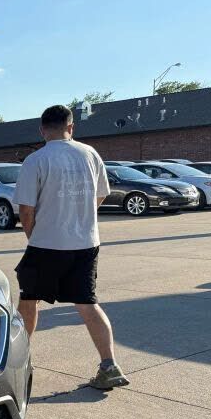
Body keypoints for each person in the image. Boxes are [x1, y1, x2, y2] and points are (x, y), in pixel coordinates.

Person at [12, 104, 129, 390]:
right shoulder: (90, 154)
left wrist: (33, 236)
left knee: (28, 301)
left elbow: (25, 210)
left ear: (42, 130)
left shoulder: (36, 160)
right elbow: (101, 195)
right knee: (87, 302)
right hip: (86, 243)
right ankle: (109, 365)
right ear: (71, 127)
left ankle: (20, 361)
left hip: (46, 244)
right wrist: (81, 218)